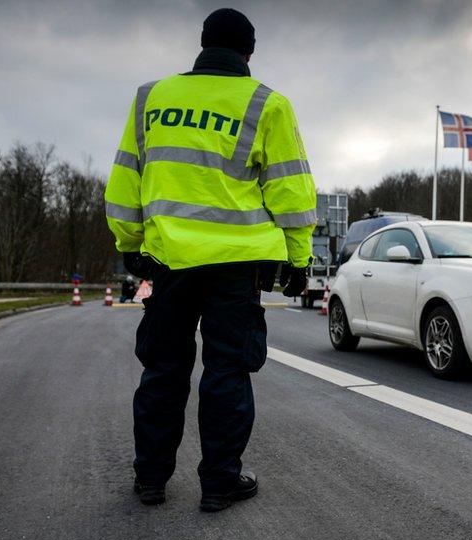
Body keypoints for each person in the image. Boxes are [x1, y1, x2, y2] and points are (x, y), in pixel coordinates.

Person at [104, 7, 316, 512]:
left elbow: (125, 182)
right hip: (237, 266)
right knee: (227, 370)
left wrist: (130, 244)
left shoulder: (149, 99)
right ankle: (220, 482)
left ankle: (151, 479)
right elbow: (291, 190)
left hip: (170, 261)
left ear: (201, 45)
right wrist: (298, 258)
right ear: (249, 53)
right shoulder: (267, 104)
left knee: (163, 369)